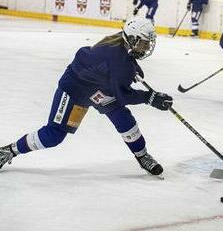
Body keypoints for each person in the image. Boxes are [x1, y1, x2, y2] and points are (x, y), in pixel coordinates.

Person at [0, 17, 173, 177]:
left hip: (99, 89)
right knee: (54, 135)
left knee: (123, 118)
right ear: (133, 39)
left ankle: (142, 156)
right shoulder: (118, 63)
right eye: (144, 43)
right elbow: (124, 95)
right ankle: (9, 150)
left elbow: (117, 67)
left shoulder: (120, 40)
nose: (147, 47)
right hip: (75, 88)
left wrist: (129, 68)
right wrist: (150, 98)